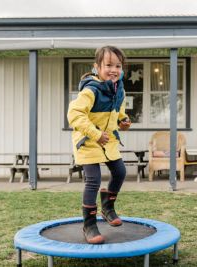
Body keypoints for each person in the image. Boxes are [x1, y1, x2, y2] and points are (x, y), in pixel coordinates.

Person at [67, 46, 131, 244]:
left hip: (108, 139)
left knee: (120, 172)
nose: (114, 69)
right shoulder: (91, 89)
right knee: (93, 179)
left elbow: (119, 112)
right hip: (88, 140)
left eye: (118, 65)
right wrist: (95, 134)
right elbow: (74, 115)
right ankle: (89, 224)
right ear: (97, 67)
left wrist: (124, 121)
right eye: (109, 65)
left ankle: (108, 207)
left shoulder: (119, 89)